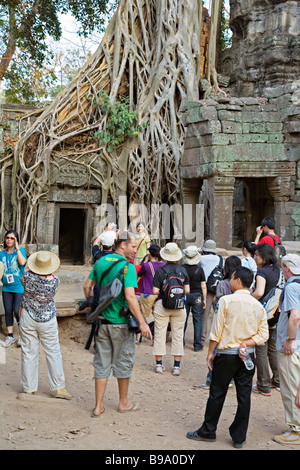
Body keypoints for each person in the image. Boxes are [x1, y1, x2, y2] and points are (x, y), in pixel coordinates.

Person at [187, 266, 269, 449]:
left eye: (231, 277)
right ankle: (239, 437)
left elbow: (217, 331)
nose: (229, 280)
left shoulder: (226, 300)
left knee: (217, 393)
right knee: (244, 396)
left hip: (226, 355)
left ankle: (208, 431)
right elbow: (263, 335)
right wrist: (247, 343)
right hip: (247, 356)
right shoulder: (258, 305)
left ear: (238, 280)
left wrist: (210, 353)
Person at [83, 231, 152, 417]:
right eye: (132, 246)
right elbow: (130, 297)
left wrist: (95, 306)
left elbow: (87, 286)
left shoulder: (100, 262)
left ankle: (98, 406)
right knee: (123, 362)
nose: (134, 249)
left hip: (102, 324)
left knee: (101, 363)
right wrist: (142, 323)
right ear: (122, 245)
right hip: (121, 324)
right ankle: (123, 402)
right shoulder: (127, 268)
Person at [19, 251, 71, 399]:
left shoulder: (27, 278)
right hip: (48, 318)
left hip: (28, 316)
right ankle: (59, 387)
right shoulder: (55, 281)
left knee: (29, 352)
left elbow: (25, 275)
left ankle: (29, 387)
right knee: (53, 352)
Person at [198, 256, 241, 389]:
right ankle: (231, 380)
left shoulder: (223, 283)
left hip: (224, 321)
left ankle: (211, 379)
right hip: (237, 321)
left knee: (216, 351)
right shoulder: (241, 283)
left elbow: (218, 302)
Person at [273, 254, 300, 445]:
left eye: (282, 267)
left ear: (287, 268)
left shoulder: (291, 287)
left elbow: (295, 316)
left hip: (293, 346)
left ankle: (296, 429)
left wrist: (289, 340)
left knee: (291, 388)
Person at [152, 242, 190, 376]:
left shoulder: (160, 271)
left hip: (162, 304)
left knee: (160, 334)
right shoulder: (183, 270)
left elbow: (155, 291)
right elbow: (187, 290)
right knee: (178, 335)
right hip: (179, 306)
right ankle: (176, 366)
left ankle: (159, 364)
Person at [252, 243, 282, 396]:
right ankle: (277, 380)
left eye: (256, 255)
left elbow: (259, 292)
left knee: (261, 350)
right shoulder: (279, 270)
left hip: (263, 315)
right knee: (273, 349)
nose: (255, 257)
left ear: (263, 257)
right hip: (277, 315)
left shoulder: (262, 273)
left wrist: (247, 299)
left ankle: (263, 384)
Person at [0, 230, 27, 347]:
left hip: (19, 287)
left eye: (12, 238)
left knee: (17, 310)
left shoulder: (20, 251)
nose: (9, 240)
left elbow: (22, 262)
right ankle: (10, 336)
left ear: (16, 239)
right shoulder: (1, 254)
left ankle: (22, 335)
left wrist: (17, 248)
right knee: (8, 311)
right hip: (6, 287)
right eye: (7, 237)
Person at [135, 244, 165, 343]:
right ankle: (157, 339)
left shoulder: (146, 265)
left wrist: (146, 261)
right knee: (158, 317)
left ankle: (139, 337)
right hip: (159, 294)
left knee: (142, 315)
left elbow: (139, 274)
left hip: (147, 293)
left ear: (149, 253)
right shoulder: (164, 265)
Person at [182, 246, 206, 352]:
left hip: (185, 296)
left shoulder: (181, 268)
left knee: (183, 318)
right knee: (197, 319)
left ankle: (180, 341)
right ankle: (197, 344)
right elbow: (203, 286)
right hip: (197, 296)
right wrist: (204, 299)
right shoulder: (200, 269)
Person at [199, 239, 223, 344]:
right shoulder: (220, 259)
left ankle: (202, 337)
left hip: (206, 288)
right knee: (218, 313)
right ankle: (219, 337)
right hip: (218, 288)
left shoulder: (201, 258)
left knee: (205, 313)